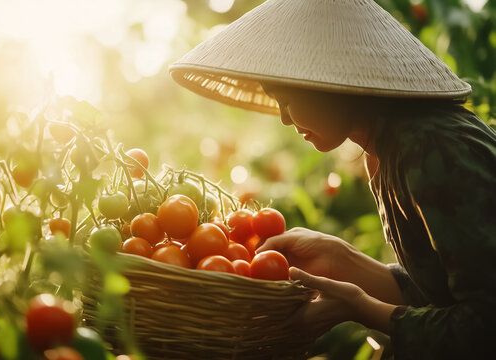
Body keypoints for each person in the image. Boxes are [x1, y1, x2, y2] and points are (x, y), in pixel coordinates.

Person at [169, 0, 496, 358]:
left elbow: (485, 325)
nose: (283, 119)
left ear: (331, 81)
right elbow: (444, 297)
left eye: (287, 98)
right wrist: (341, 259)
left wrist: (362, 308)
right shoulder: (391, 147)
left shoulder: (430, 148)